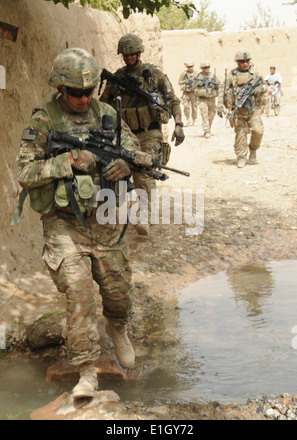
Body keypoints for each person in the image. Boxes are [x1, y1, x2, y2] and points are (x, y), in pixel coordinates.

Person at [16, 48, 146, 403]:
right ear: (60, 88)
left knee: (118, 293)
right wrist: (68, 160)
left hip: (104, 218)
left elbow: (134, 151)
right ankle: (87, 369)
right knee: (78, 292)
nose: (84, 98)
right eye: (76, 92)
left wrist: (126, 166)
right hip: (63, 223)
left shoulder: (106, 114)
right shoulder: (45, 119)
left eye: (89, 91)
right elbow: (25, 172)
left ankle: (117, 328)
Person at [100, 34, 185, 236]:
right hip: (124, 135)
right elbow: (101, 104)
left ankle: (144, 216)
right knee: (115, 173)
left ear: (139, 53)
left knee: (144, 173)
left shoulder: (154, 75)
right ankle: (107, 216)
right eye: (125, 55)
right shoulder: (117, 76)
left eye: (132, 54)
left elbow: (172, 99)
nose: (128, 58)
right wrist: (111, 90)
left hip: (149, 133)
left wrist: (179, 124)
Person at [217, 50, 267, 168]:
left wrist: (260, 89)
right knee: (240, 134)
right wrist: (219, 105)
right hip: (238, 110)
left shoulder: (255, 74)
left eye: (246, 61)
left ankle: (253, 149)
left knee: (258, 131)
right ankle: (241, 157)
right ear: (237, 62)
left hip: (253, 108)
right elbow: (222, 91)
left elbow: (265, 85)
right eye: (242, 62)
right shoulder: (231, 75)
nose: (244, 63)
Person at [193, 60, 221, 139]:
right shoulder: (198, 77)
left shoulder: (213, 76)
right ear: (202, 68)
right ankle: (206, 131)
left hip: (211, 98)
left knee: (212, 114)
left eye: (208, 67)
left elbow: (219, 86)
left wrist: (215, 87)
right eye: (205, 68)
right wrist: (198, 85)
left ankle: (208, 127)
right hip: (202, 99)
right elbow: (193, 88)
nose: (207, 69)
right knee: (204, 114)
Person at [178, 60, 198, 126]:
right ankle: (187, 119)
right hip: (186, 92)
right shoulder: (184, 73)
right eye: (189, 67)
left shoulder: (196, 73)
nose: (190, 68)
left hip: (193, 92)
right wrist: (186, 81)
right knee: (186, 106)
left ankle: (194, 120)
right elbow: (179, 82)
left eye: (191, 66)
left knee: (194, 106)